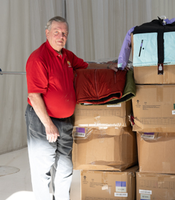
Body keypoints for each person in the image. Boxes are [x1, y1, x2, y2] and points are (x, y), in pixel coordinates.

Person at [25, 16, 118, 200]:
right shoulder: (38, 58)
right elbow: (34, 96)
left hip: (65, 120)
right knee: (43, 167)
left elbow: (85, 66)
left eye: (64, 33)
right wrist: (48, 125)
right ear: (47, 33)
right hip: (43, 121)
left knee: (66, 166)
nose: (61, 36)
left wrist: (108, 66)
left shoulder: (67, 56)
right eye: (57, 32)